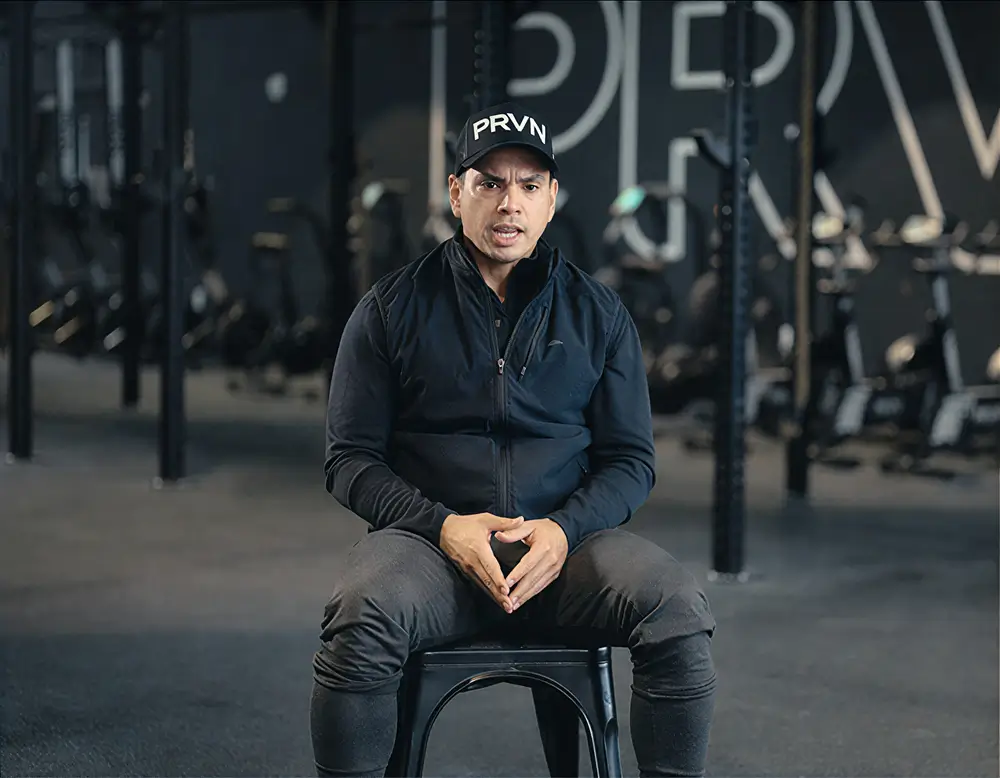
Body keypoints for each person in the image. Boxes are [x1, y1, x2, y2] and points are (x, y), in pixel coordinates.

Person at [310, 102, 717, 778]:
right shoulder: (390, 308)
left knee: (677, 606)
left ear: (552, 200)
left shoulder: (599, 313)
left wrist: (563, 530)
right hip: (430, 556)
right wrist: (443, 528)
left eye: (529, 185)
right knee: (363, 612)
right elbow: (349, 460)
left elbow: (630, 461)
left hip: (565, 557)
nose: (510, 204)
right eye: (490, 183)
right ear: (456, 193)